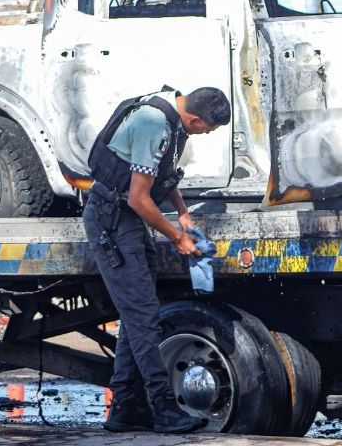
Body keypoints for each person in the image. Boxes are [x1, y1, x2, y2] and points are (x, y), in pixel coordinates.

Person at [82, 86, 231, 434]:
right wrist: (176, 238)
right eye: (207, 129)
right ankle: (163, 408)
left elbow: (159, 174)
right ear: (194, 118)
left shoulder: (170, 117)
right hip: (113, 220)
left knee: (138, 316)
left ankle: (124, 408)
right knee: (144, 318)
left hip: (125, 219)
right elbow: (138, 198)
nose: (205, 134)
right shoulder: (154, 123)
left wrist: (181, 213)